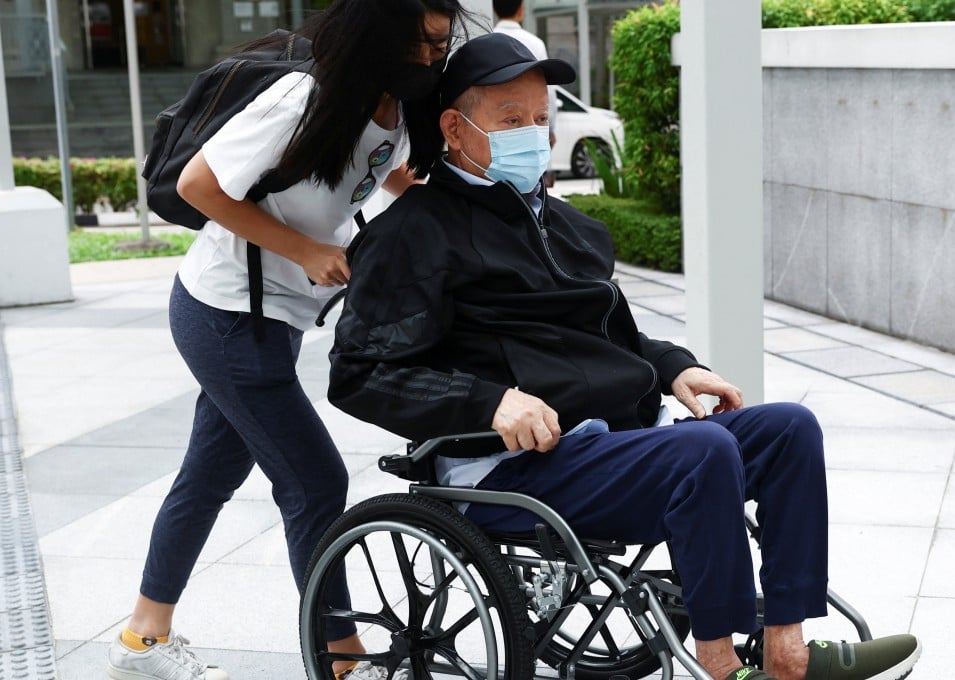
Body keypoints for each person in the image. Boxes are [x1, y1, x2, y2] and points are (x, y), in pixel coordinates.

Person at [326, 33, 922, 680]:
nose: (534, 134)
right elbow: (361, 374)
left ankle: (787, 652)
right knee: (704, 452)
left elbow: (615, 334)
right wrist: (491, 402)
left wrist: (673, 366)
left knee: (787, 430)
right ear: (455, 128)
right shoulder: (414, 234)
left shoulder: (566, 225)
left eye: (539, 119)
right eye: (511, 120)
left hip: (610, 444)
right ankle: (721, 667)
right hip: (515, 462)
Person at [105, 3, 468, 680]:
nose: (428, 59)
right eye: (417, 45)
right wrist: (303, 248)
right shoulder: (305, 99)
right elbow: (199, 185)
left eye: (439, 46)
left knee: (210, 475)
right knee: (314, 481)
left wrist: (416, 190)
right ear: (376, 38)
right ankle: (341, 656)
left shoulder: (394, 103)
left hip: (271, 321)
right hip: (224, 313)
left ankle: (141, 642)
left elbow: (378, 163)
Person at [492, 0, 557, 186]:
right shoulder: (535, 43)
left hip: (499, 131)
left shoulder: (486, 38)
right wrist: (548, 126)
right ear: (521, 10)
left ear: (494, 10)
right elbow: (547, 93)